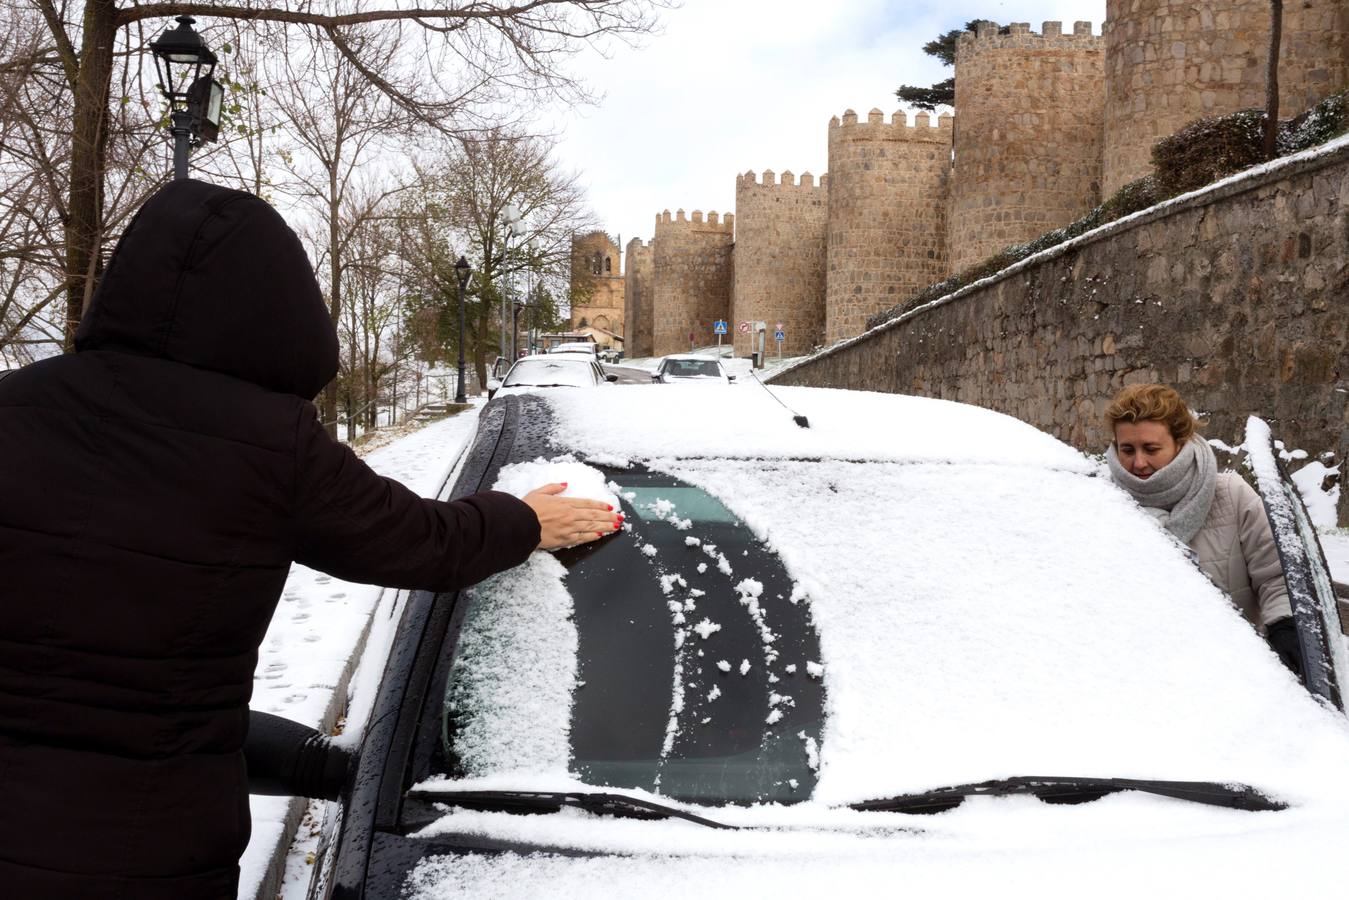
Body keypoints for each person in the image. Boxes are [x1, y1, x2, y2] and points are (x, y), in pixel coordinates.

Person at [0, 179, 619, 898]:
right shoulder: (269, 446)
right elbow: (419, 542)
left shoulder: (15, 406)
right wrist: (522, 521)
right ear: (271, 306)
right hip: (149, 845)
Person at [1103, 383, 1301, 675]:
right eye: (1127, 449)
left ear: (1180, 443)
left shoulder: (1231, 496)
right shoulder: (1105, 504)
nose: (1138, 462)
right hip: (1144, 671)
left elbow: (1276, 576)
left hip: (1236, 671)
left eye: (1151, 448)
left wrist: (1284, 626)